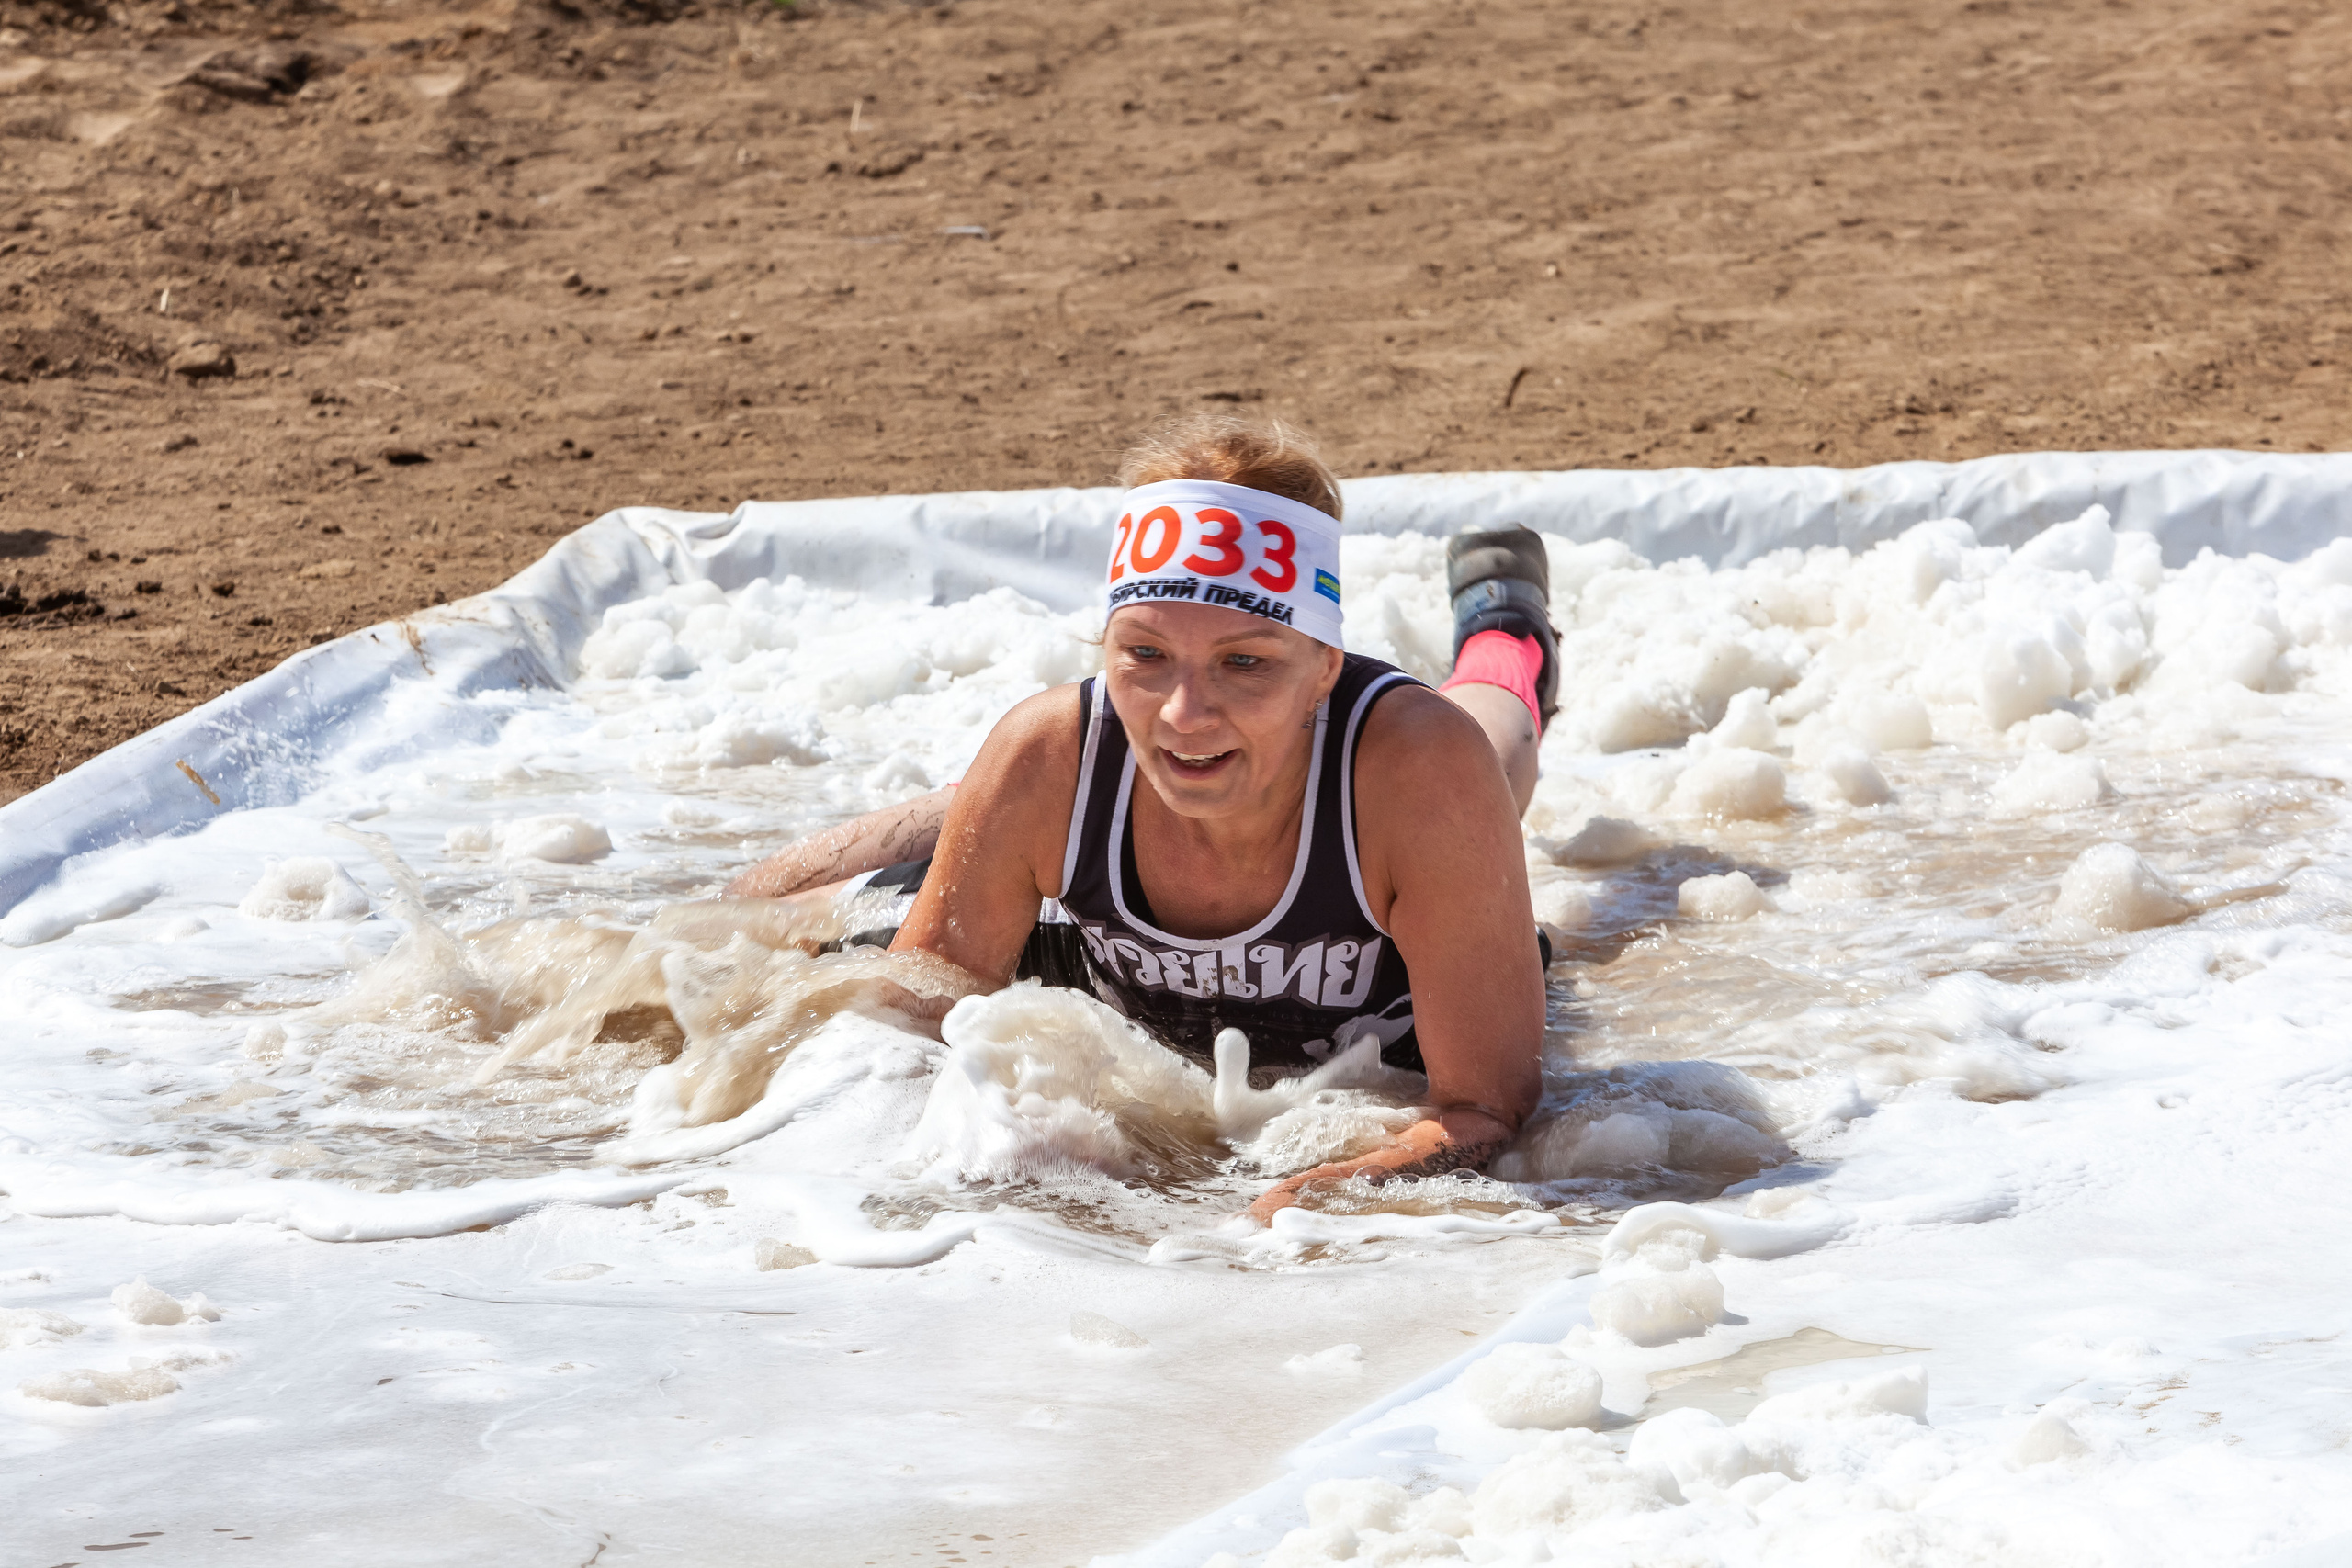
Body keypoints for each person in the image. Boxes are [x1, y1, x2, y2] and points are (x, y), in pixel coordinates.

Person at [728, 416, 1563, 1218]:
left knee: (1486, 751)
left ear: (1323, 669)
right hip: (1080, 901)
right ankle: (960, 809)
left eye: (1244, 662)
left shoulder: (1420, 774)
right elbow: (906, 1030)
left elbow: (1485, 1108)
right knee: (750, 923)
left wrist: (1317, 1198)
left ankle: (1506, 633)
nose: (1182, 710)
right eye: (1145, 654)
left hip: (1400, 853)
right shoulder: (1049, 753)